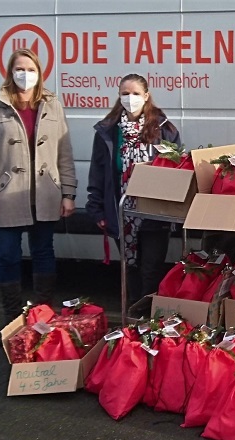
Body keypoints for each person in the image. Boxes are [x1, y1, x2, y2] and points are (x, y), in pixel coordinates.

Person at [0, 48, 77, 324]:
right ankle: (12, 322)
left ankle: (43, 319)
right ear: (10, 72)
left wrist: (68, 192)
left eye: (31, 70)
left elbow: (63, 152)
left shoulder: (52, 103)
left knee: (44, 254)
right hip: (6, 196)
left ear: (40, 73)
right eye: (20, 69)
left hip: (45, 195)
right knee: (7, 257)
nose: (25, 75)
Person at [86, 74, 181, 307]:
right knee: (130, 267)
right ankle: (133, 318)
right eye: (125, 94)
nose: (130, 99)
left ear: (146, 96)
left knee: (151, 268)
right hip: (122, 212)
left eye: (136, 94)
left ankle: (149, 318)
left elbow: (177, 169)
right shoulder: (108, 132)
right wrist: (96, 209)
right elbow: (98, 172)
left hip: (154, 213)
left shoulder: (164, 129)